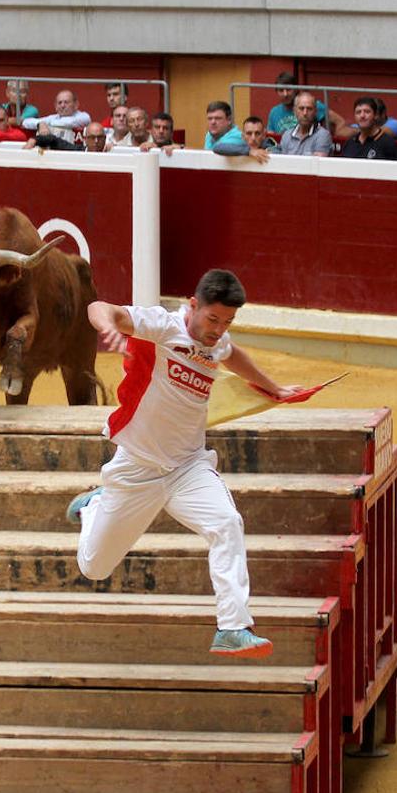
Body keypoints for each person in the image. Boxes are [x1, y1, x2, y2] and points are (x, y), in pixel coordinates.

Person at [66, 270, 304, 658]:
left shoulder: (217, 340)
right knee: (94, 567)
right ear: (193, 306)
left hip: (188, 467)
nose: (217, 330)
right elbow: (99, 307)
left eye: (227, 322)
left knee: (227, 523)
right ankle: (93, 507)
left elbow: (233, 354)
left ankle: (232, 627)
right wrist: (111, 328)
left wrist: (273, 387)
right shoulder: (163, 326)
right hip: (138, 468)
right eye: (212, 319)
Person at [266, 71, 345, 135]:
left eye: (289, 89)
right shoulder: (274, 112)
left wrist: (334, 140)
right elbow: (271, 137)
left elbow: (340, 121)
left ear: (296, 89)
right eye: (281, 90)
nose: (285, 94)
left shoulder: (311, 105)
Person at [340, 96, 397, 160]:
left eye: (367, 112)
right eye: (358, 112)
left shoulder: (388, 144)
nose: (362, 116)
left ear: (375, 115)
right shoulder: (350, 143)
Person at [21, 90, 91, 143]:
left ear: (76, 105)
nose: (62, 106)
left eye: (66, 102)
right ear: (55, 107)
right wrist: (40, 124)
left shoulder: (83, 117)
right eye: (59, 103)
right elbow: (26, 122)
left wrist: (44, 124)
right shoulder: (54, 118)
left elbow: (68, 123)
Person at [279, 91, 333, 156]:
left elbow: (317, 164)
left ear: (315, 111)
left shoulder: (322, 135)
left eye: (309, 109)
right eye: (301, 108)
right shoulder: (287, 135)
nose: (305, 113)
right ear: (294, 111)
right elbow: (282, 161)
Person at [25, 121, 108, 152]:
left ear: (105, 139)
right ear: (85, 139)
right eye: (92, 138)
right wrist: (34, 140)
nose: (96, 141)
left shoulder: (110, 153)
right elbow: (54, 140)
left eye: (100, 138)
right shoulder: (76, 150)